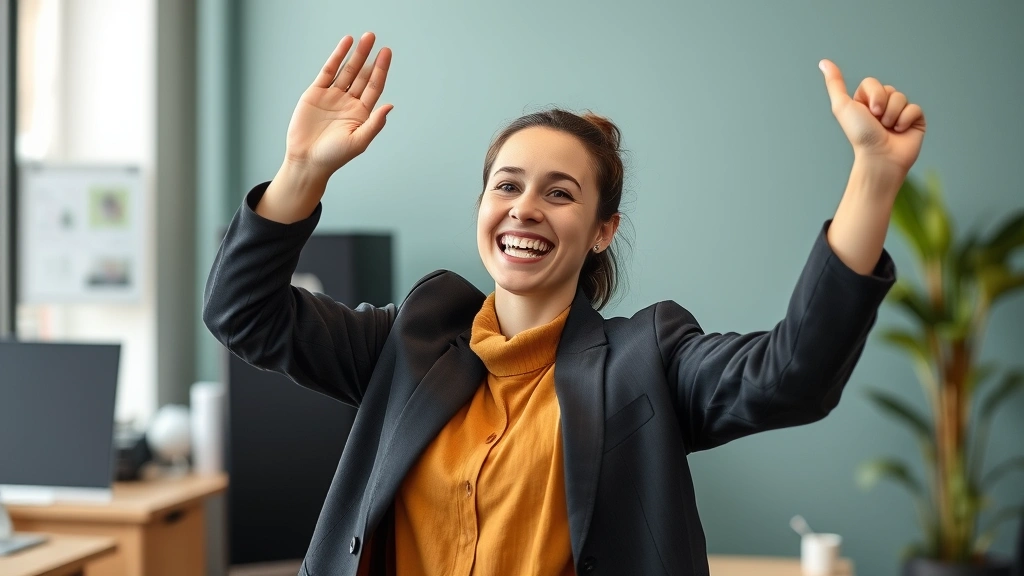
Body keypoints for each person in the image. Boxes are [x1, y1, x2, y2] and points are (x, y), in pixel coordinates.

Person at [204, 31, 925, 576]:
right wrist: (303, 168)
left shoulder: (647, 359)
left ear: (603, 231)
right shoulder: (409, 342)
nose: (525, 210)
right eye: (507, 186)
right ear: (482, 206)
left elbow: (792, 374)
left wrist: (874, 178)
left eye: (559, 193)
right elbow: (244, 314)